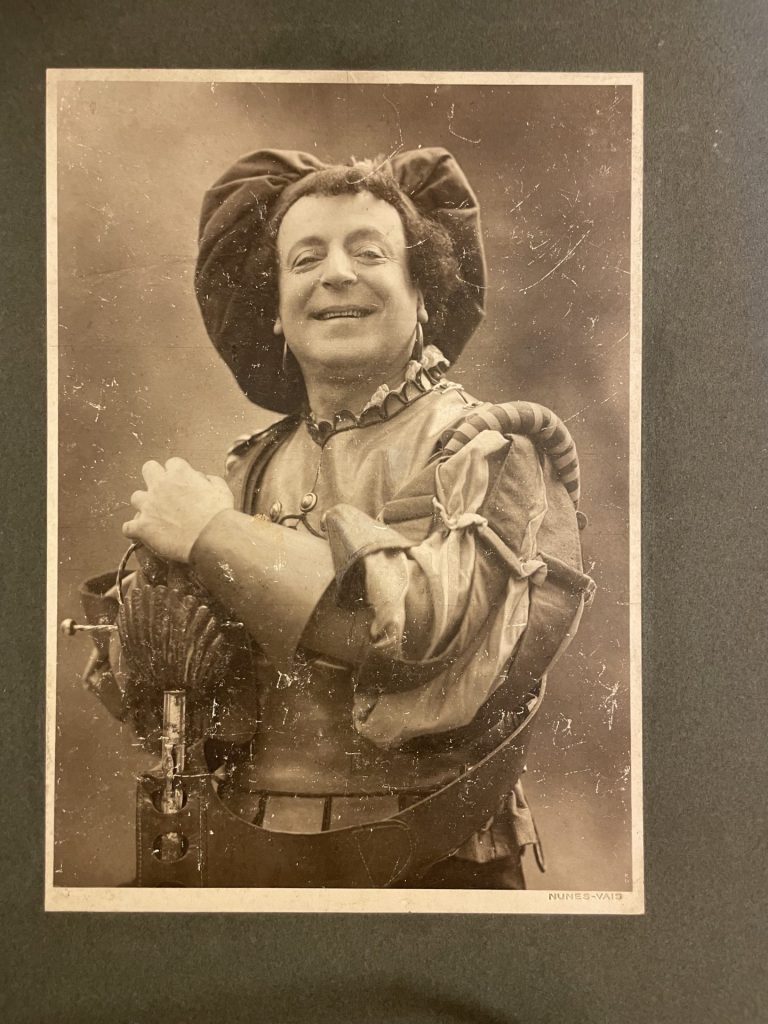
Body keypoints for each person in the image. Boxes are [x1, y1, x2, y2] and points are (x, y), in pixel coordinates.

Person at [116, 148, 593, 888]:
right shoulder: (248, 468)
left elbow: (416, 638)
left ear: (423, 290)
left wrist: (211, 534)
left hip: (433, 863)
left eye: (368, 252)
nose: (336, 274)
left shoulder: (492, 448)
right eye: (304, 259)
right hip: (249, 855)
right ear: (277, 308)